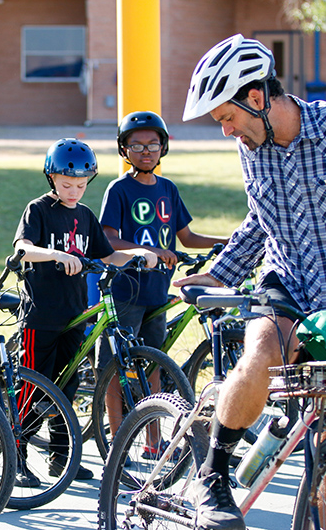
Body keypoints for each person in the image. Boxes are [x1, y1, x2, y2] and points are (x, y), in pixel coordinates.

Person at [178, 34, 326, 530]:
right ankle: (214, 474)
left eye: (226, 118)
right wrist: (218, 271)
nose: (226, 133)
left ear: (257, 98)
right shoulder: (254, 146)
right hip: (286, 285)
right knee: (263, 354)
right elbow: (260, 221)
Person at [13, 138, 157, 487]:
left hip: (75, 315)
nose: (74, 191)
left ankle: (61, 458)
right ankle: (15, 456)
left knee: (67, 385)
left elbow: (108, 256)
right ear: (51, 177)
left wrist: (139, 254)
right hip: (41, 316)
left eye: (80, 185)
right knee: (33, 387)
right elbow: (22, 249)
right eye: (66, 184)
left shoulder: (85, 216)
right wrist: (54, 255)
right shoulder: (39, 210)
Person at [97, 111, 228, 451]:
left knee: (154, 363)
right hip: (126, 291)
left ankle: (153, 442)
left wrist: (227, 242)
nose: (145, 151)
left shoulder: (168, 188)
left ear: (163, 147)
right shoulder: (119, 189)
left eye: (153, 144)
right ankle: (117, 442)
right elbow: (108, 238)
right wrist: (147, 249)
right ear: (124, 150)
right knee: (115, 365)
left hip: (157, 290)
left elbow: (186, 236)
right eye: (136, 145)